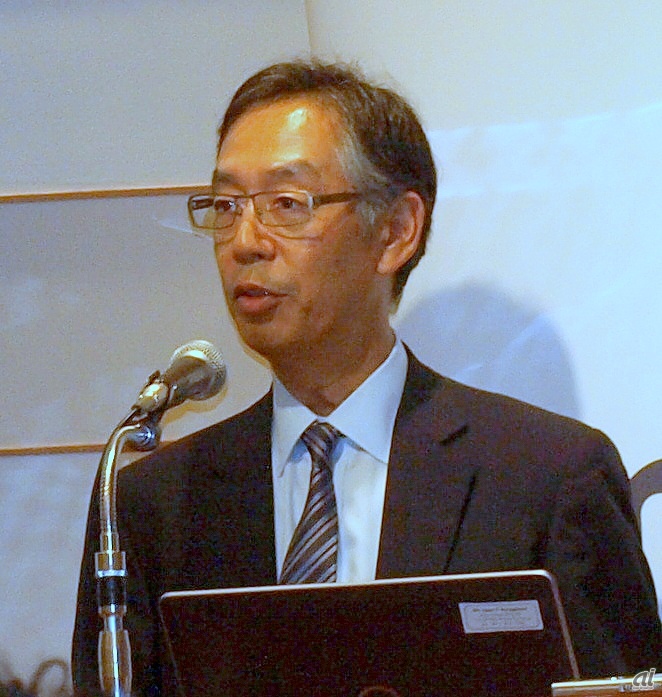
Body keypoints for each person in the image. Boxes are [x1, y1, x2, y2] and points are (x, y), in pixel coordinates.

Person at [72, 60, 661, 696]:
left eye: (287, 204)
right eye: (226, 206)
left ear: (396, 231)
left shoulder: (546, 478)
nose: (245, 242)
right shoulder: (152, 505)